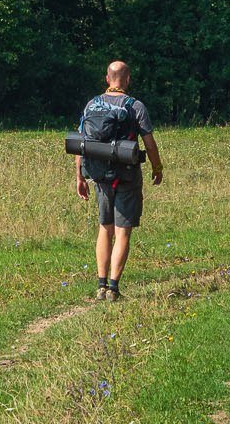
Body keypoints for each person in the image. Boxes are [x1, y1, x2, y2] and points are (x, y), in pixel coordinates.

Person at [74, 60, 163, 302]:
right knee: (123, 232)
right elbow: (149, 143)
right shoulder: (135, 106)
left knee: (105, 229)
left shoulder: (92, 105)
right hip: (127, 176)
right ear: (128, 80)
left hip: (100, 175)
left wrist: (80, 176)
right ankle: (113, 288)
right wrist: (157, 167)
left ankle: (100, 286)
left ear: (107, 79)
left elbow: (82, 144)